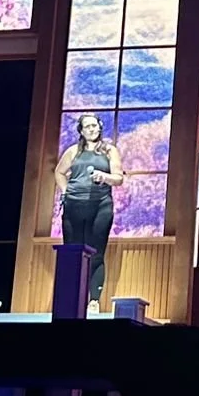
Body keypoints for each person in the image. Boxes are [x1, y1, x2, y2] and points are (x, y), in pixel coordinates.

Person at [53, 113, 124, 309]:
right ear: (81, 131)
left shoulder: (109, 151)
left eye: (94, 125)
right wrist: (66, 191)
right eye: (87, 126)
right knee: (72, 253)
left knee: (96, 253)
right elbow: (59, 172)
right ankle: (71, 299)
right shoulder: (73, 151)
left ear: (100, 127)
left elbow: (119, 178)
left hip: (100, 205)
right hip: (74, 206)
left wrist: (104, 177)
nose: (92, 129)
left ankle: (94, 300)